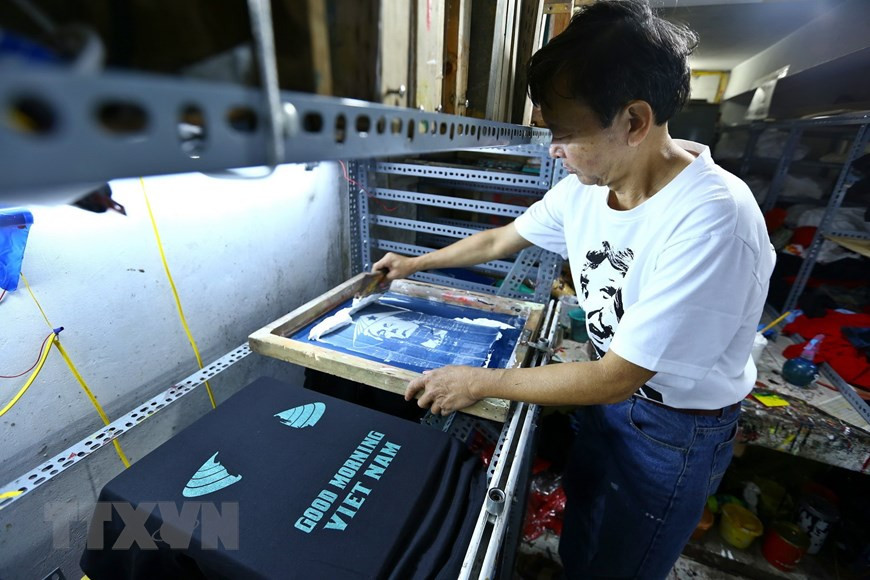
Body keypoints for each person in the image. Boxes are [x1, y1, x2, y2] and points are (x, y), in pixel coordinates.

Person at [373, 0, 775, 577]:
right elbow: (500, 240)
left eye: (565, 133)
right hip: (605, 399)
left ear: (634, 121)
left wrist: (481, 382)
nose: (553, 149)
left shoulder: (713, 217)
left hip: (671, 428)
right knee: (582, 536)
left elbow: (620, 376)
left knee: (623, 565)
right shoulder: (586, 187)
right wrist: (414, 263)